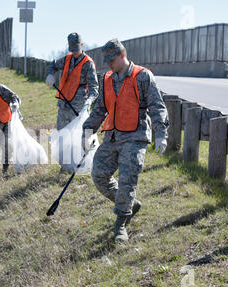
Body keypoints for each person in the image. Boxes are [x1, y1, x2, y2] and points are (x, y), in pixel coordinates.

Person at [82, 38, 169, 243]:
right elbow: (100, 109)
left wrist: (161, 133)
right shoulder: (106, 79)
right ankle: (129, 203)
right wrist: (87, 131)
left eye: (112, 60)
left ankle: (121, 222)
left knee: (127, 179)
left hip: (135, 136)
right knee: (99, 175)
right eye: (107, 61)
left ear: (123, 55)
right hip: (112, 135)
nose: (109, 64)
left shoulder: (143, 76)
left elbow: (157, 106)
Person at [45, 32, 99, 172]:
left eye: (77, 48)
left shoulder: (88, 64)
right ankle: (64, 166)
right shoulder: (67, 59)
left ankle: (79, 165)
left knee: (76, 137)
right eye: (72, 49)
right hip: (64, 105)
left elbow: (94, 88)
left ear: (82, 45)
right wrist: (50, 74)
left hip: (78, 107)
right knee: (62, 135)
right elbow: (52, 65)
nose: (74, 52)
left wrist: (89, 102)